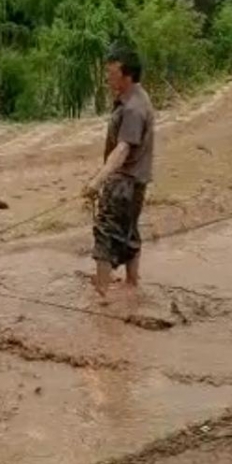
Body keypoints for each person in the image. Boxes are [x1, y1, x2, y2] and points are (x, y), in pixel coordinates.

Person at [84, 49, 155, 296]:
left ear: (127, 76)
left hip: (123, 184)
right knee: (129, 231)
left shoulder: (133, 109)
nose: (107, 78)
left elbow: (123, 149)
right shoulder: (140, 98)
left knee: (104, 233)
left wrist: (97, 181)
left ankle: (102, 296)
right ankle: (132, 284)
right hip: (136, 182)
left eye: (112, 73)